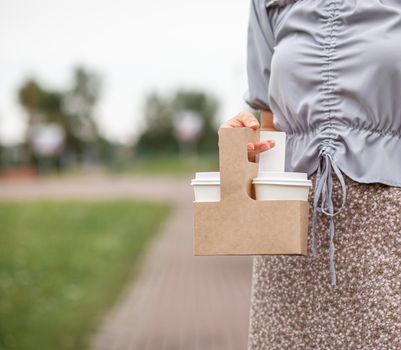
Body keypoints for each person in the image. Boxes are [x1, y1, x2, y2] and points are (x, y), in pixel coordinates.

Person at [219, 0, 401, 349]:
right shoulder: (268, 4)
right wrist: (245, 138)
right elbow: (270, 131)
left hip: (389, 237)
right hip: (291, 249)